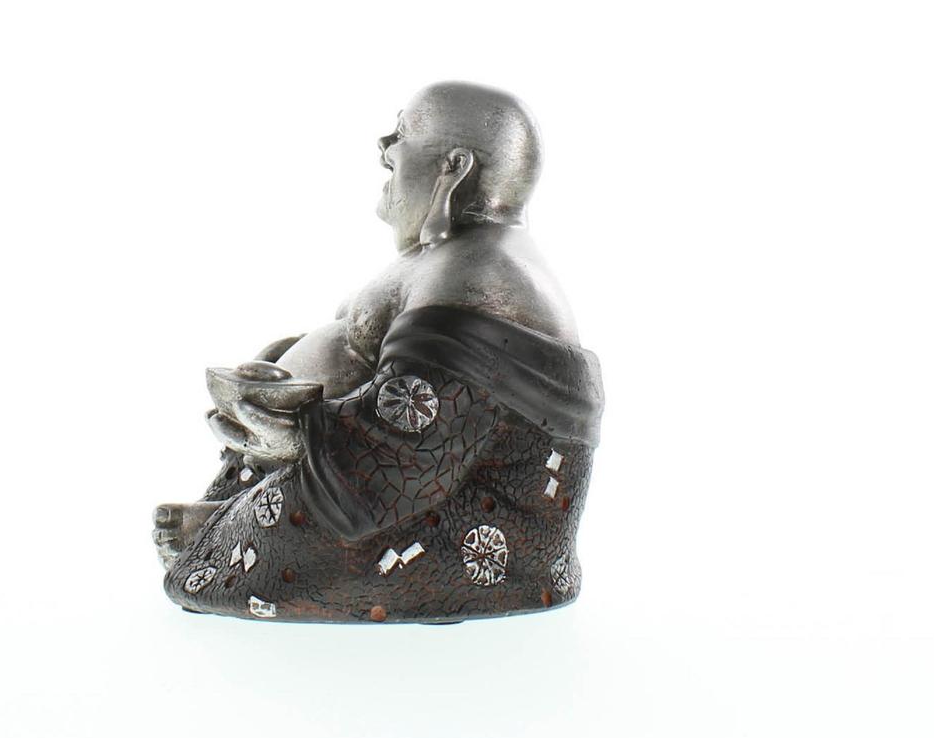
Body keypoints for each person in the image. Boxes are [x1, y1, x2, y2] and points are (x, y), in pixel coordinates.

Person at [154, 82, 603, 623]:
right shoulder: (444, 258)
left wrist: (301, 434)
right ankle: (229, 523)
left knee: (273, 544)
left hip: (467, 513)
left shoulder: (485, 272)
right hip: (397, 471)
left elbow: (422, 426)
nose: (385, 146)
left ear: (454, 168)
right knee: (264, 499)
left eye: (403, 132)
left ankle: (226, 536)